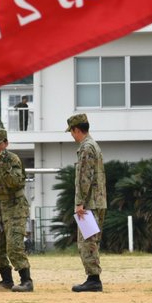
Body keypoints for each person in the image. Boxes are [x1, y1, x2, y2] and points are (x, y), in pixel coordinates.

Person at [0, 127, 32, 293]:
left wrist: (3, 163)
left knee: (14, 244)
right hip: (1, 207)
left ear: (5, 143)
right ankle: (6, 280)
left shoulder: (13, 160)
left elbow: (15, 182)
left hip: (16, 206)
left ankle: (26, 280)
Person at [67, 113, 106, 293]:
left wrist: (79, 202)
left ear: (77, 130)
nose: (72, 135)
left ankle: (93, 279)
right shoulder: (94, 145)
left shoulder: (86, 148)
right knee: (92, 241)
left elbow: (84, 177)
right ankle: (93, 278)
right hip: (97, 200)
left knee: (87, 242)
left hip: (89, 202)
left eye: (72, 132)